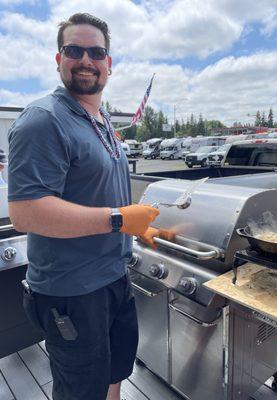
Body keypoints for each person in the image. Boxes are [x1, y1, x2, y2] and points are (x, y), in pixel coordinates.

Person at [8, 13, 163, 400]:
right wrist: (118, 219)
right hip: (72, 292)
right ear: (58, 58)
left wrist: (134, 225)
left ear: (109, 63)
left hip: (113, 276)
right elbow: (26, 211)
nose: (86, 60)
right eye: (74, 50)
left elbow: (96, 188)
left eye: (97, 52)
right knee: (81, 390)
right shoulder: (43, 120)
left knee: (115, 372)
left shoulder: (102, 118)